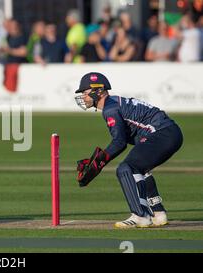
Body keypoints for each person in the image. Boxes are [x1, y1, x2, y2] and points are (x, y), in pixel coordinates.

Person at [74, 72, 183, 228]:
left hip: (163, 133)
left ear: (98, 91)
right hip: (169, 132)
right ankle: (158, 214)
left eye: (85, 93)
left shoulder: (110, 109)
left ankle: (140, 216)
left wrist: (99, 162)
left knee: (126, 168)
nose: (83, 97)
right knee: (140, 169)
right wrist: (99, 160)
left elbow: (119, 142)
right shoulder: (113, 103)